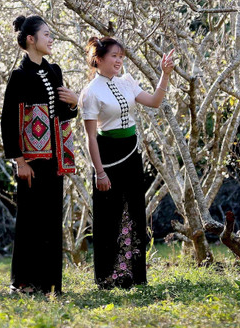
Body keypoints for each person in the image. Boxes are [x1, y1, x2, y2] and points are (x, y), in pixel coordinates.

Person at [80, 37, 174, 289]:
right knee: (108, 215)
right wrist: (99, 172)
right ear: (98, 59)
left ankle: (134, 276)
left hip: (131, 153)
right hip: (107, 155)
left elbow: (154, 101)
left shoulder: (127, 81)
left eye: (122, 56)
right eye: (114, 56)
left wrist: (165, 74)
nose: (119, 60)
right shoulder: (90, 92)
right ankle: (108, 278)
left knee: (133, 211)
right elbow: (90, 136)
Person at [0, 15, 79, 294]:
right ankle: (22, 282)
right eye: (46, 34)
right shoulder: (19, 76)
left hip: (55, 159)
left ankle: (49, 284)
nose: (51, 39)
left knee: (50, 218)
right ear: (30, 39)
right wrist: (19, 160)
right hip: (31, 162)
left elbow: (63, 113)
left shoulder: (54, 71)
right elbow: (8, 120)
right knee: (30, 221)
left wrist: (74, 103)